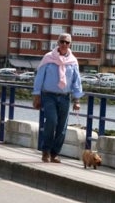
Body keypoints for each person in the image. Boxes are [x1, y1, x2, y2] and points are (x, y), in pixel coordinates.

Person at [32, 33, 84, 162]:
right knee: (51, 121)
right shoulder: (48, 58)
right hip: (49, 95)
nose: (64, 45)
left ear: (70, 44)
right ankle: (46, 150)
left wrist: (77, 100)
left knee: (62, 127)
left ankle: (55, 153)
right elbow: (39, 78)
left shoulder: (73, 61)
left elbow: (76, 81)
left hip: (65, 97)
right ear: (58, 42)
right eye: (62, 42)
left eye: (67, 42)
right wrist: (37, 96)